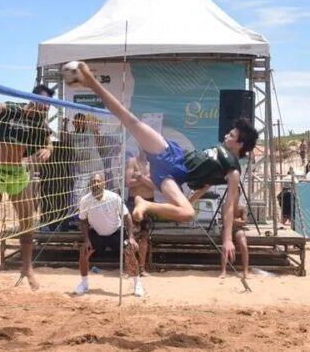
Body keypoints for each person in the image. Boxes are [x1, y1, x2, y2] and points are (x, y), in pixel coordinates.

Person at [68, 61, 258, 265]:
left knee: (187, 213)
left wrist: (227, 238)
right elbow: (205, 185)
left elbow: (228, 205)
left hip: (171, 177)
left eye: (232, 135)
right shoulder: (220, 156)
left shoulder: (233, 172)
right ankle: (91, 82)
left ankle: (146, 204)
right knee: (131, 121)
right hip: (170, 153)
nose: (227, 136)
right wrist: (190, 199)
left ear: (240, 144)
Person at [0, 84, 55, 290]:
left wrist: (48, 150)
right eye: (43, 102)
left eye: (48, 105)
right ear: (31, 98)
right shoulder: (6, 108)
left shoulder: (39, 123)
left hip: (17, 171)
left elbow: (48, 141)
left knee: (28, 219)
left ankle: (27, 267)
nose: (45, 107)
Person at [75, 173, 141, 296]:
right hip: (97, 233)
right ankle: (84, 283)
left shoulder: (114, 197)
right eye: (93, 182)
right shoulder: (85, 200)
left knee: (130, 250)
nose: (96, 184)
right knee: (83, 252)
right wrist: (86, 240)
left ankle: (137, 284)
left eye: (98, 181)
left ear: (104, 183)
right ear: (90, 185)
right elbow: (83, 221)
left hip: (116, 231)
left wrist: (131, 237)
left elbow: (127, 217)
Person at [125, 150, 155, 276]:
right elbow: (129, 183)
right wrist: (146, 179)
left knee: (144, 237)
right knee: (131, 236)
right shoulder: (132, 162)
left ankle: (142, 268)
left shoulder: (154, 164)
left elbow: (155, 185)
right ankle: (129, 269)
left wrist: (140, 177)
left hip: (148, 202)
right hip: (134, 202)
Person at [220, 199, 250, 279]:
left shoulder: (242, 207)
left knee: (243, 244)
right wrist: (237, 220)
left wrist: (231, 220)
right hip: (226, 229)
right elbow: (224, 221)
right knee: (225, 246)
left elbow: (245, 222)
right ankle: (223, 271)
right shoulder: (225, 206)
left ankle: (245, 271)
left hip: (237, 229)